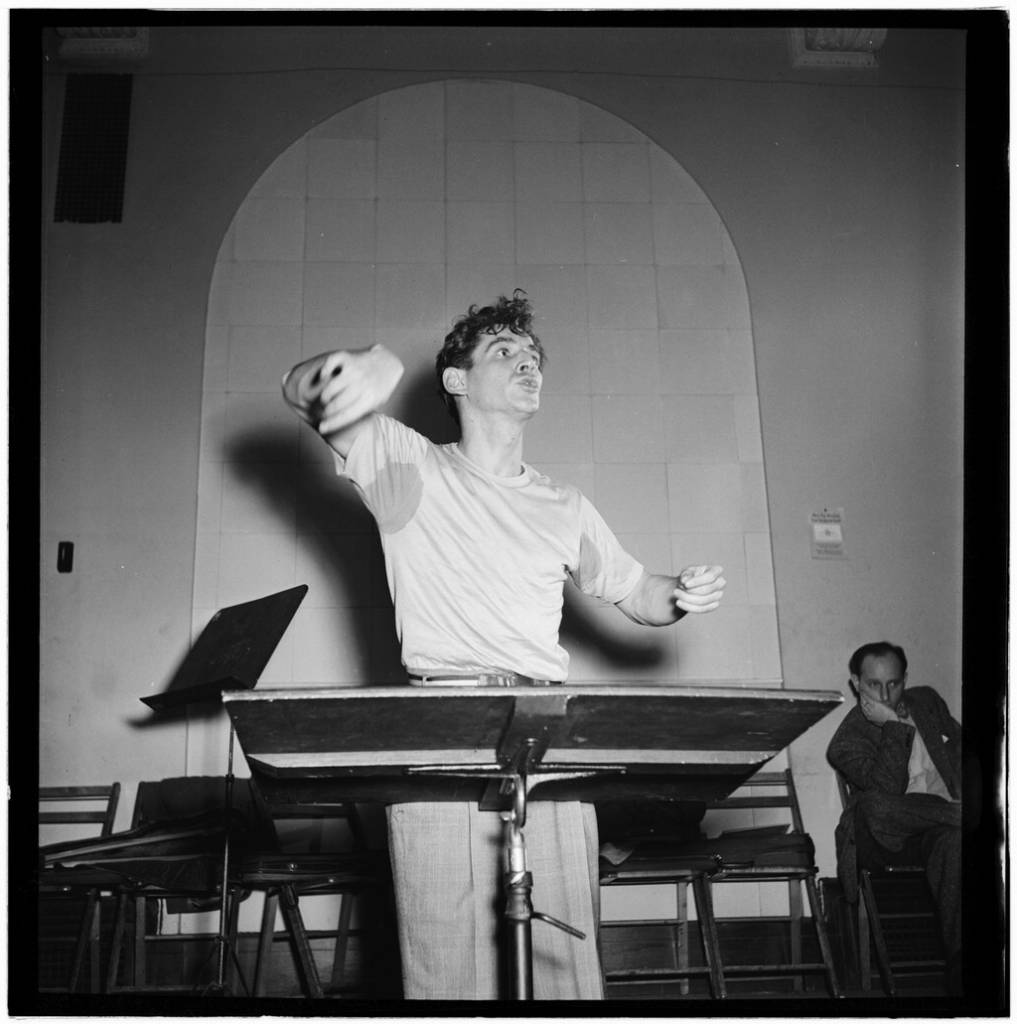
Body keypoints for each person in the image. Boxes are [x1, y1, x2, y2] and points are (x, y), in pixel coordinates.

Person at [282, 290, 726, 999]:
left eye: (532, 356)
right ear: (455, 381)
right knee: (443, 962)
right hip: (440, 729)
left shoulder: (564, 505)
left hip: (544, 728)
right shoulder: (407, 470)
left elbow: (636, 593)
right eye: (503, 352)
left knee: (561, 956)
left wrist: (678, 593)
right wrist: (349, 368)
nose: (527, 364)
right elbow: (302, 389)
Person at [827, 641, 963, 992]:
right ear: (856, 682)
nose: (886, 694)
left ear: (907, 678)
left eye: (894, 683)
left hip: (939, 831)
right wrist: (894, 727)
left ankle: (965, 966)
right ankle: (960, 815)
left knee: (954, 841)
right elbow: (886, 792)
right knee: (873, 806)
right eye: (874, 684)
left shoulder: (927, 702)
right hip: (889, 837)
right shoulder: (847, 739)